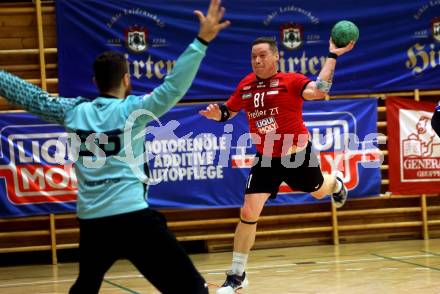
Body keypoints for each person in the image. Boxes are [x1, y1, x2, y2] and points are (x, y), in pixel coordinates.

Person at [0, 0, 229, 293]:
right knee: (190, 288)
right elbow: (173, 86)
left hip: (94, 222)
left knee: (86, 286)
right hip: (133, 218)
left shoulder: (72, 111)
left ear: (95, 81)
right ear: (126, 79)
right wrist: (201, 41)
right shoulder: (134, 110)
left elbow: (31, 97)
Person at [199, 36, 354, 293]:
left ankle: (335, 182)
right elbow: (229, 109)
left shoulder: (290, 81)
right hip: (266, 157)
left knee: (318, 190)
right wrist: (218, 115)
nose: (257, 61)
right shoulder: (246, 85)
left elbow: (320, 90)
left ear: (276, 57)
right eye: (253, 57)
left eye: (262, 55)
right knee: (249, 212)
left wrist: (332, 56)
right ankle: (237, 276)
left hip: (297, 156)